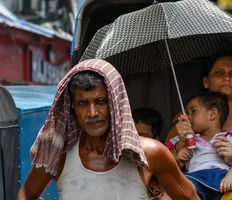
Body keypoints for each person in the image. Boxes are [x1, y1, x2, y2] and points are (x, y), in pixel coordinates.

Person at [17, 59, 200, 200]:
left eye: (101, 101)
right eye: (82, 103)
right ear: (72, 107)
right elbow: (26, 194)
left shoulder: (150, 153)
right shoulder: (61, 152)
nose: (92, 113)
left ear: (115, 103)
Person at [164, 53, 232, 200]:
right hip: (194, 185)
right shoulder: (185, 118)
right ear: (206, 81)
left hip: (230, 187)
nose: (227, 78)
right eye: (219, 73)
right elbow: (164, 160)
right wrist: (179, 153)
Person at [167, 92, 232, 200]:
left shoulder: (229, 138)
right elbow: (163, 154)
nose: (188, 117)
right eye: (187, 113)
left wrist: (230, 176)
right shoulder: (185, 138)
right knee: (169, 194)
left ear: (212, 114)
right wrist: (180, 147)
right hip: (195, 178)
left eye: (193, 111)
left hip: (223, 177)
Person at [132, 107, 166, 200]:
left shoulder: (163, 163)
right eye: (133, 135)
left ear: (156, 139)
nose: (137, 140)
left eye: (143, 136)